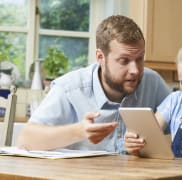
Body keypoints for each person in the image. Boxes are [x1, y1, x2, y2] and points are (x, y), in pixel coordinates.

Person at [17, 15, 171, 153]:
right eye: (124, 61)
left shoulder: (153, 83)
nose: (135, 70)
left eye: (139, 59)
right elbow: (25, 140)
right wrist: (79, 131)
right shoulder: (69, 88)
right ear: (100, 57)